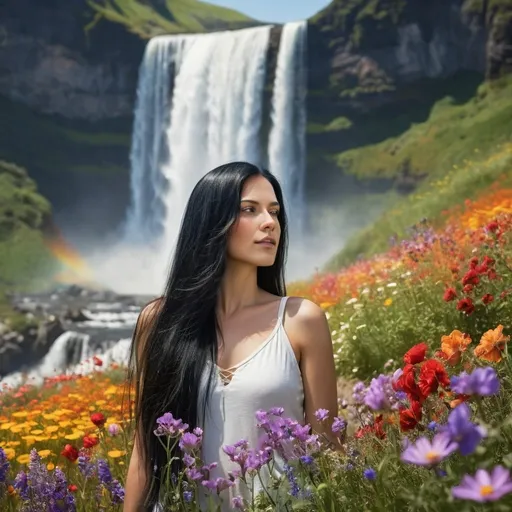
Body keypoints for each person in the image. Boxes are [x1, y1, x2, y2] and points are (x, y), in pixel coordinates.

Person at [123, 162, 339, 511]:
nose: (270, 223)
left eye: (274, 212)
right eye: (249, 210)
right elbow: (145, 454)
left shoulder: (300, 320)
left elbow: (328, 449)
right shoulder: (160, 322)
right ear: (211, 221)